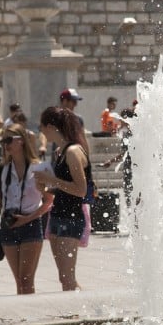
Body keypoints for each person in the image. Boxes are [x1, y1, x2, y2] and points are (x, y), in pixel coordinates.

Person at [0, 124, 54, 295]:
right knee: (19, 281)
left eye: (9, 140)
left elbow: (49, 201)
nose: (5, 144)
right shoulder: (2, 168)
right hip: (9, 224)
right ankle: (22, 318)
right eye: (3, 141)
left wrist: (28, 218)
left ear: (21, 141)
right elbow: (0, 204)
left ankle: (31, 318)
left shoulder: (40, 167)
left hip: (31, 223)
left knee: (26, 280)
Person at [35, 107, 92, 291]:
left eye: (41, 126)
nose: (41, 131)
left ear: (50, 126)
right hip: (58, 215)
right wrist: (45, 188)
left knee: (68, 279)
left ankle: (75, 316)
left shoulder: (73, 151)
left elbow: (81, 190)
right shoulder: (60, 151)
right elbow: (64, 187)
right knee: (64, 278)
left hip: (71, 217)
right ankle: (84, 311)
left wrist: (51, 180)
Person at [100, 108, 135, 208]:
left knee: (131, 198)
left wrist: (111, 161)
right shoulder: (137, 132)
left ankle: (136, 221)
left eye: (121, 118)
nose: (119, 121)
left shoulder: (128, 134)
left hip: (130, 170)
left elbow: (124, 153)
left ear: (126, 118)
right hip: (136, 170)